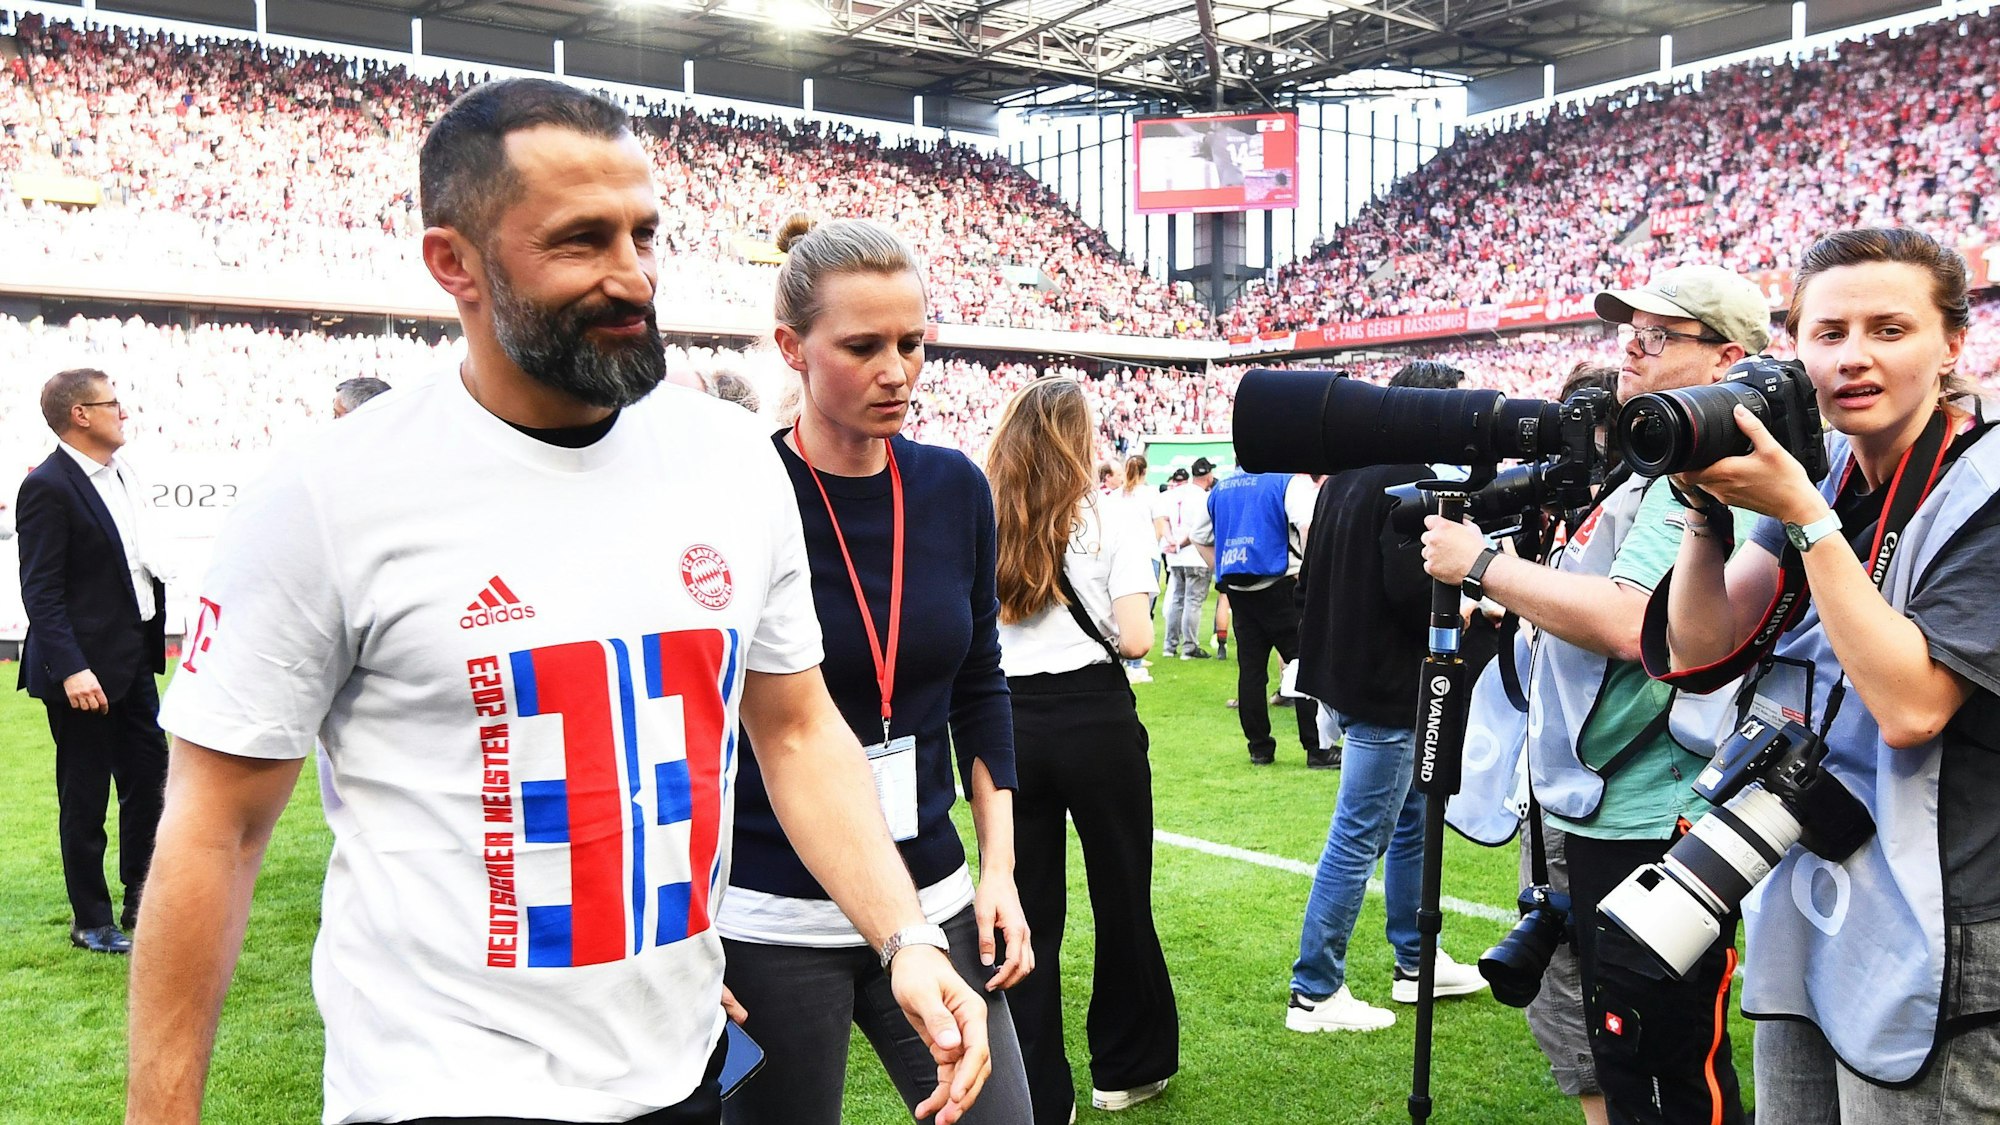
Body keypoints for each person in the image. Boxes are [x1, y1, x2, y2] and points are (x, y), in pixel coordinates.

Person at [129, 80, 992, 1125]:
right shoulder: (327, 493)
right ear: (454, 264)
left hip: (680, 1071)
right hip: (438, 1090)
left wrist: (901, 936)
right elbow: (215, 828)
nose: (631, 277)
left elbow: (799, 731)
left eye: (643, 233)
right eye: (580, 241)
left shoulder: (725, 460)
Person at [1656, 228, 2000, 1121]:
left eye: (1890, 330)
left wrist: (1807, 519)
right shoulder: (1829, 470)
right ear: (1795, 345)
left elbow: (1914, 707)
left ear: (1952, 342)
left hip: (1947, 924)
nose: (1855, 358)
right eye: (1829, 333)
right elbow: (1700, 650)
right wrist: (1704, 513)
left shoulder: (1986, 485)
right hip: (1817, 889)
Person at [1421, 263, 1768, 1125]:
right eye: (1628, 335)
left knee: (1665, 1060)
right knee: (1622, 1050)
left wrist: (1488, 566)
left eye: (1657, 338)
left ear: (1727, 356)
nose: (1631, 354)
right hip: (1603, 802)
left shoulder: (1708, 471)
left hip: (1651, 810)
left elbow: (1633, 623)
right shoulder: (1659, 469)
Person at [717, 213, 1032, 1125]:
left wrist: (999, 873)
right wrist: (688, 932)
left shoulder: (954, 487)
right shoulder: (744, 497)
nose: (896, 371)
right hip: (771, 916)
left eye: (912, 343)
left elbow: (981, 686)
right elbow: (686, 720)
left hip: (932, 898)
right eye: (863, 345)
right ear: (792, 348)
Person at [986, 378, 1179, 1121]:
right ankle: (1126, 1066)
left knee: (1023, 908)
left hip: (1011, 721)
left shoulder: (992, 515)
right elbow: (1134, 638)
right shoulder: (1113, 517)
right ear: (1079, 437)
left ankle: (1037, 1087)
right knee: (1122, 892)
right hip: (1094, 714)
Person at [1286, 361, 1490, 1033]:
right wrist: (1465, 607)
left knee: (1408, 822)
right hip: (1385, 684)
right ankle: (1314, 990)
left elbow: (1313, 578)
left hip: (1350, 676)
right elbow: (1410, 593)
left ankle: (1415, 962)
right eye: (1457, 410)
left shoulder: (1346, 472)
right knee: (1359, 836)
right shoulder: (1413, 483)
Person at [15, 367, 168, 956]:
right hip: (82, 672)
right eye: (112, 403)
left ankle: (142, 899)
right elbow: (42, 590)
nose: (122, 412)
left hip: (133, 661)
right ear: (80, 415)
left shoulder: (123, 474)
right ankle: (91, 920)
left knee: (151, 785)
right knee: (85, 798)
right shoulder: (49, 486)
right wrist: (74, 668)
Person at [1193, 465, 1323, 766]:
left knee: (1251, 671)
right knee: (1303, 664)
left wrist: (1219, 568)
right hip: (1281, 585)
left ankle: (1259, 747)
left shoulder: (1221, 487)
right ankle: (1316, 747)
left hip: (1240, 589)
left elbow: (1198, 534)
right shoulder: (1287, 481)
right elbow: (1307, 525)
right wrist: (1310, 574)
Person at [1158, 466, 1209, 659]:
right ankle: (1189, 647)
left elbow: (1163, 520)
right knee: (1192, 601)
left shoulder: (1172, 495)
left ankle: (1169, 646)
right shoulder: (1201, 496)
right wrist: (1180, 543)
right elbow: (1199, 529)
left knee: (1177, 599)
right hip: (1195, 553)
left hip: (1176, 556)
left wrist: (1171, 540)